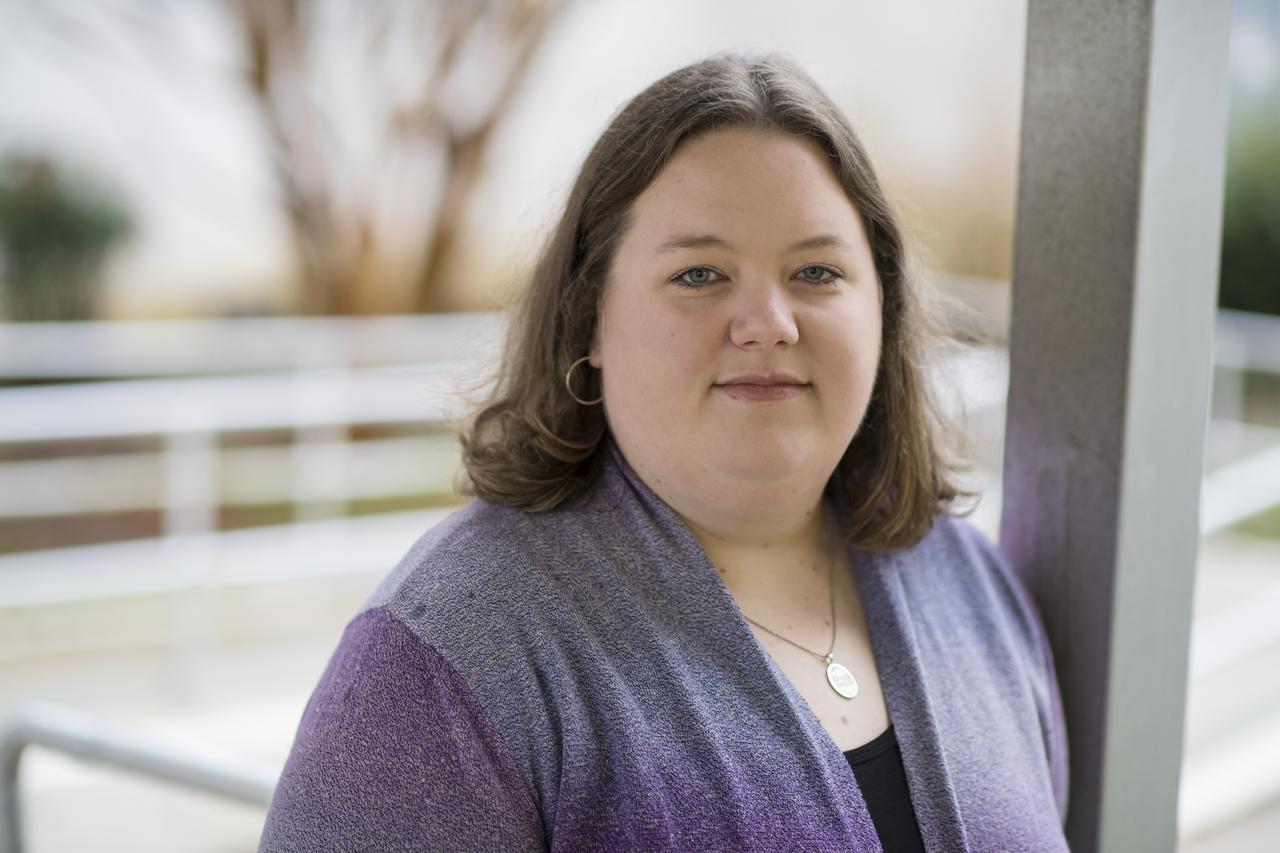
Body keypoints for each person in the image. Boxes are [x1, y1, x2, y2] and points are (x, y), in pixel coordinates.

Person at [259, 51, 1070, 852]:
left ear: (882, 312)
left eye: (817, 270)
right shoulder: (451, 657)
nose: (768, 323)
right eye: (700, 274)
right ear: (590, 321)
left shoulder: (970, 587)